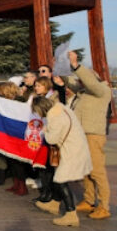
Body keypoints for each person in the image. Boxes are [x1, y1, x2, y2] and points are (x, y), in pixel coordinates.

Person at [64, 51, 112, 220]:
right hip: (82, 135)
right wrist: (61, 71)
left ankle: (104, 206)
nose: (81, 82)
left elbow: (91, 83)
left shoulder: (102, 90)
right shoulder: (84, 92)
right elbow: (71, 83)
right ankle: (89, 200)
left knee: (97, 171)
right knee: (86, 171)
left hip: (93, 135)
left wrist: (76, 65)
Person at [32, 97, 92, 227]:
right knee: (59, 177)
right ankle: (54, 203)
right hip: (76, 146)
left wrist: (45, 131)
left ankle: (71, 214)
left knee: (60, 180)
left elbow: (52, 139)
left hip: (72, 151)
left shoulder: (55, 117)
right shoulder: (62, 109)